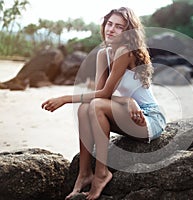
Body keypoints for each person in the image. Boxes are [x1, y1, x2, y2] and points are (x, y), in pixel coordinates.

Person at [41, 7, 166, 200]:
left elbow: (104, 96)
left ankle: (101, 172)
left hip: (149, 118)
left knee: (96, 106)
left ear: (127, 33)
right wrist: (126, 100)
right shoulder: (104, 54)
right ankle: (84, 173)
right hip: (129, 114)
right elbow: (100, 94)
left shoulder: (125, 51)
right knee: (85, 108)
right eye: (109, 24)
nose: (111, 29)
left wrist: (65, 98)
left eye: (119, 27)